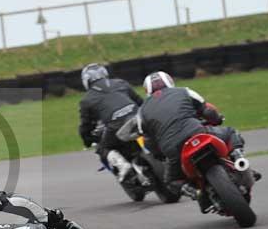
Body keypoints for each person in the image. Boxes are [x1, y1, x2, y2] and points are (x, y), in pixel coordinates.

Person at [137, 71, 256, 201]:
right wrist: (217, 120)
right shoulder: (184, 91)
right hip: (197, 132)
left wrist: (159, 154)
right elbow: (208, 111)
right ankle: (238, 157)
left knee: (171, 181)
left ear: (147, 90)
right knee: (230, 132)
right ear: (170, 82)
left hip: (173, 148)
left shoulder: (141, 111)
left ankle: (194, 192)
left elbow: (148, 141)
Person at [78, 63, 144, 182]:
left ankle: (122, 165)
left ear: (86, 80)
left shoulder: (86, 100)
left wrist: (87, 140)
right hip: (138, 119)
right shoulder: (121, 83)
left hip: (117, 127)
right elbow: (140, 102)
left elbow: (85, 125)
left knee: (102, 148)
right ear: (104, 73)